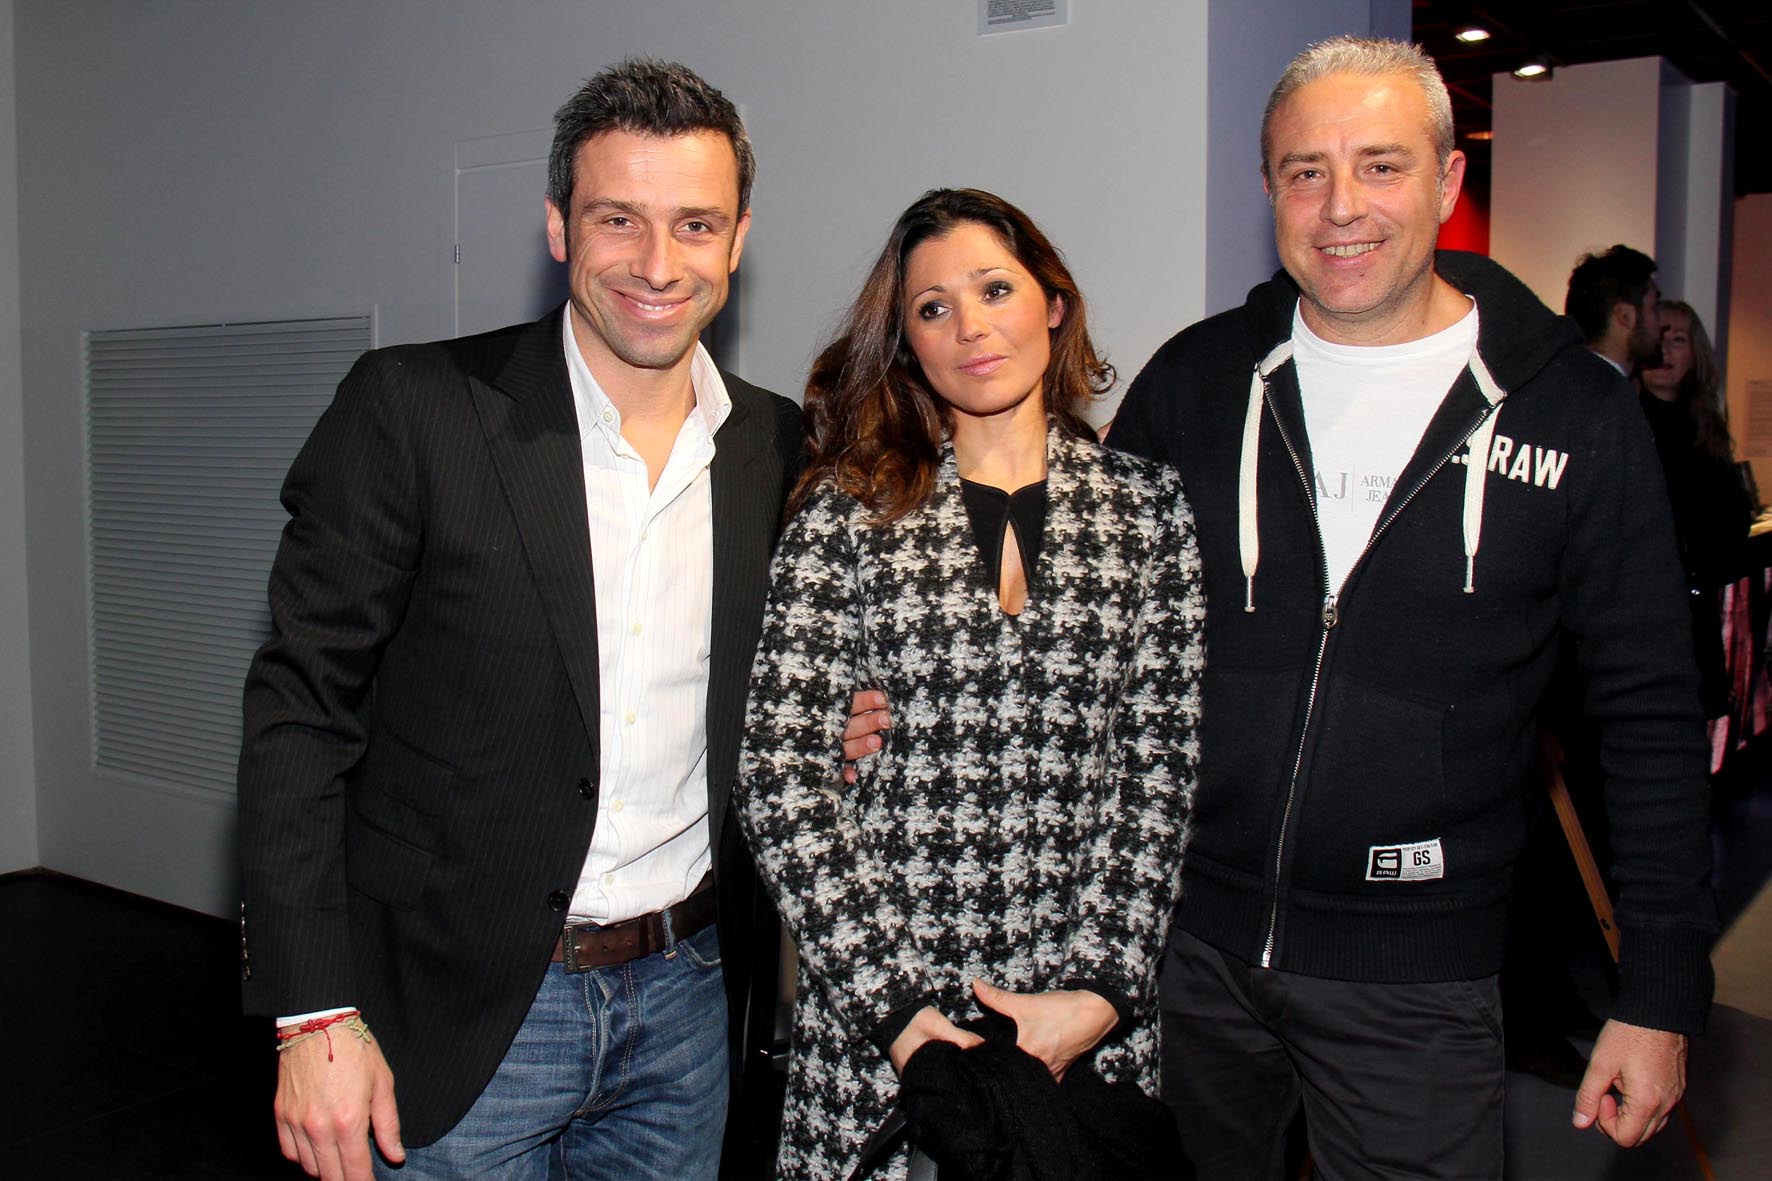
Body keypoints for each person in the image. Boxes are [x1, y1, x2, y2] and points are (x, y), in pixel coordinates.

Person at [1110, 36, 1716, 1179]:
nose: (1340, 206)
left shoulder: (1573, 412)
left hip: (1416, 975)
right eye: (1304, 171)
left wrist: (1660, 993)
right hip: (1181, 951)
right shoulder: (1194, 383)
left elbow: (1646, 713)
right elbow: (1076, 633)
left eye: (1379, 166)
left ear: (1445, 180)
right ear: (1269, 191)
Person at [237, 58, 801, 1181]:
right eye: (616, 219)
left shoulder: (778, 447)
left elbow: (770, 680)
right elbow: (299, 717)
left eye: (694, 224)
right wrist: (310, 1015)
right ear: (557, 226)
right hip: (460, 1008)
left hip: (686, 1002)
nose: (656, 263)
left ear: (736, 239)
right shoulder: (413, 409)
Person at [736, 188, 1204, 1181]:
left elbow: (1155, 772)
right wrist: (904, 1017)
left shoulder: (1146, 509)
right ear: (905, 343)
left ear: (1053, 305)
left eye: (994, 288)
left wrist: (1102, 988)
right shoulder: (842, 509)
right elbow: (779, 783)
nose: (969, 325)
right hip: (884, 1037)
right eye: (931, 307)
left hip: (1082, 1032)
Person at [1638, 299, 1754, 717]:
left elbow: (1731, 520)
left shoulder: (1704, 426)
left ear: (1695, 354)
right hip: (1646, 616)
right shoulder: (1626, 420)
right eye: (1660, 336)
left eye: (1679, 340)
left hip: (1697, 607)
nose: (1664, 350)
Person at [1566, 244, 1663, 379]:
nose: (1661, 322)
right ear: (1625, 316)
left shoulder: (1566, 381)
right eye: (1654, 307)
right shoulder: (1610, 395)